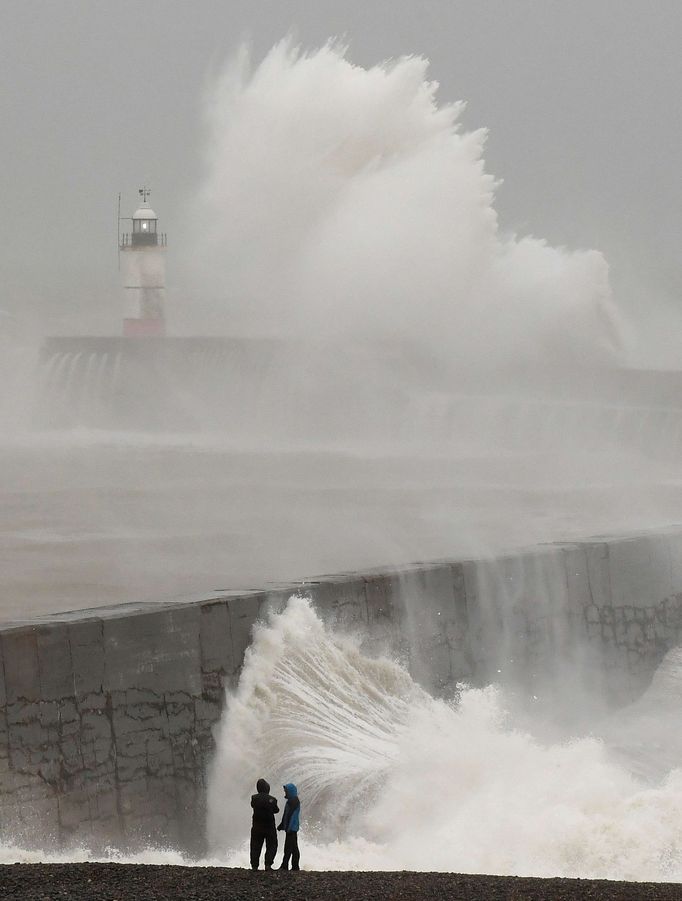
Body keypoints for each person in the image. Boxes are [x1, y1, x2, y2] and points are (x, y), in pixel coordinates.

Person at [250, 778, 279, 870]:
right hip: (269, 826)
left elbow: (252, 805)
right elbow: (276, 810)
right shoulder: (272, 799)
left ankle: (254, 866)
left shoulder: (254, 798)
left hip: (257, 826)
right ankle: (268, 864)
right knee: (271, 845)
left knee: (255, 846)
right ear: (267, 788)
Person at [277, 782, 301, 870]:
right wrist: (282, 825)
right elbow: (286, 815)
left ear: (290, 792)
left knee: (288, 848)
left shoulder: (293, 801)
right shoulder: (290, 801)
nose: (285, 793)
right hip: (291, 828)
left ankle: (285, 865)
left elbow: (292, 816)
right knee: (294, 848)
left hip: (292, 829)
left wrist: (288, 827)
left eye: (286, 791)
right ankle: (295, 866)